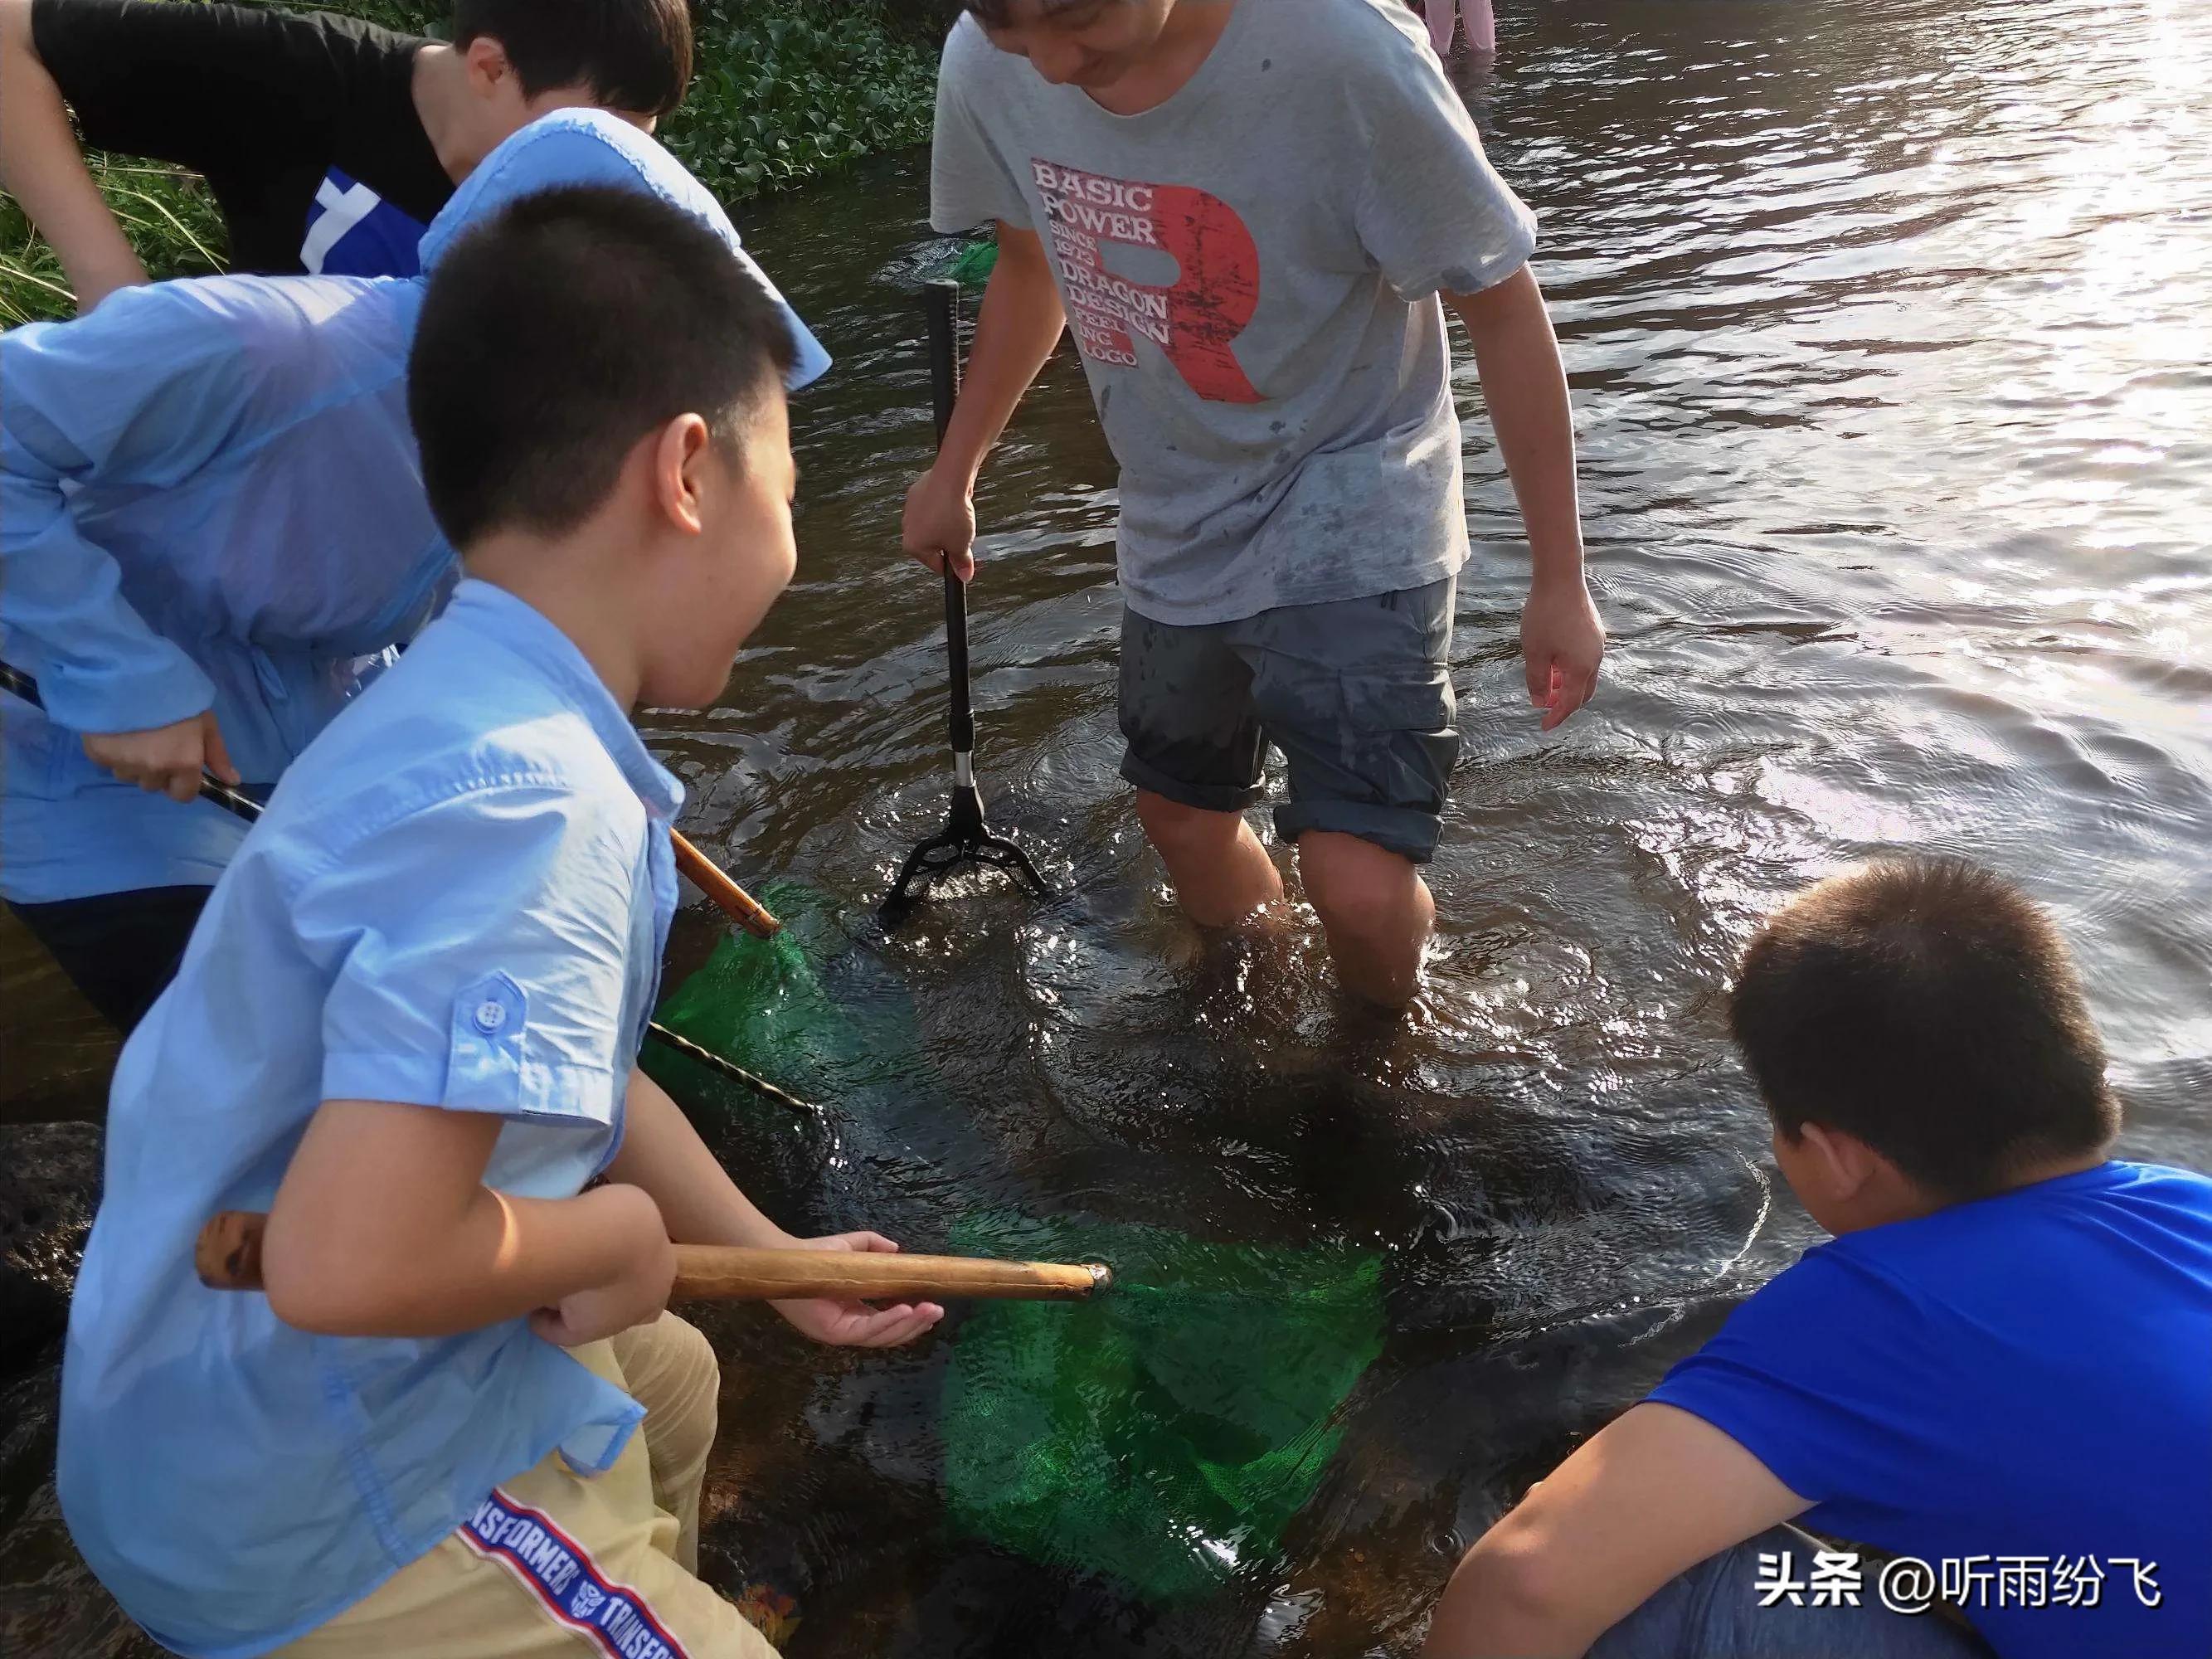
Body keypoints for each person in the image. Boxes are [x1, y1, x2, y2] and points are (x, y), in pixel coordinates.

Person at [58, 178, 934, 1659]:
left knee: (667, 1374)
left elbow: (572, 1072)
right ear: (687, 474)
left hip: (182, 1406)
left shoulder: (453, 703)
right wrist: (616, 1224)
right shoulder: (533, 809)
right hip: (314, 1506)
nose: (789, 550)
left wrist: (774, 1261)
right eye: (787, 495)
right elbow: (352, 1268)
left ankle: (612, 1588)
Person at [0, 107, 829, 1031]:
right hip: (87, 798)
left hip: (289, 777)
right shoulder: (267, 349)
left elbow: (414, 640)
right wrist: (116, 675)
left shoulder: (521, 451)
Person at [903, 0, 1606, 1007]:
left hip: (1358, 497)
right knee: (1179, 819)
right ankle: (1264, 994)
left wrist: (1559, 579)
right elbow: (1031, 266)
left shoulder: (1346, 53)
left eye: (1078, 19)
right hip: (1175, 504)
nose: (1053, 67)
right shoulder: (989, 62)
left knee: (1359, 884)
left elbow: (1499, 297)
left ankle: (1374, 1059)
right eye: (1019, 34)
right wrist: (954, 471)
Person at [1422, 858, 2212, 1659]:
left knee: (1658, 1582)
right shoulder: (2193, 1205)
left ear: (1838, 1159)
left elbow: (1523, 1582)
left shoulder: (1877, 1308)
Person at [0, 0, 692, 306]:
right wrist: (108, 282)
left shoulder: (607, 192)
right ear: (489, 68)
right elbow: (9, 38)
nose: (612, 164)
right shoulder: (300, 78)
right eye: (592, 128)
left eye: (641, 135)